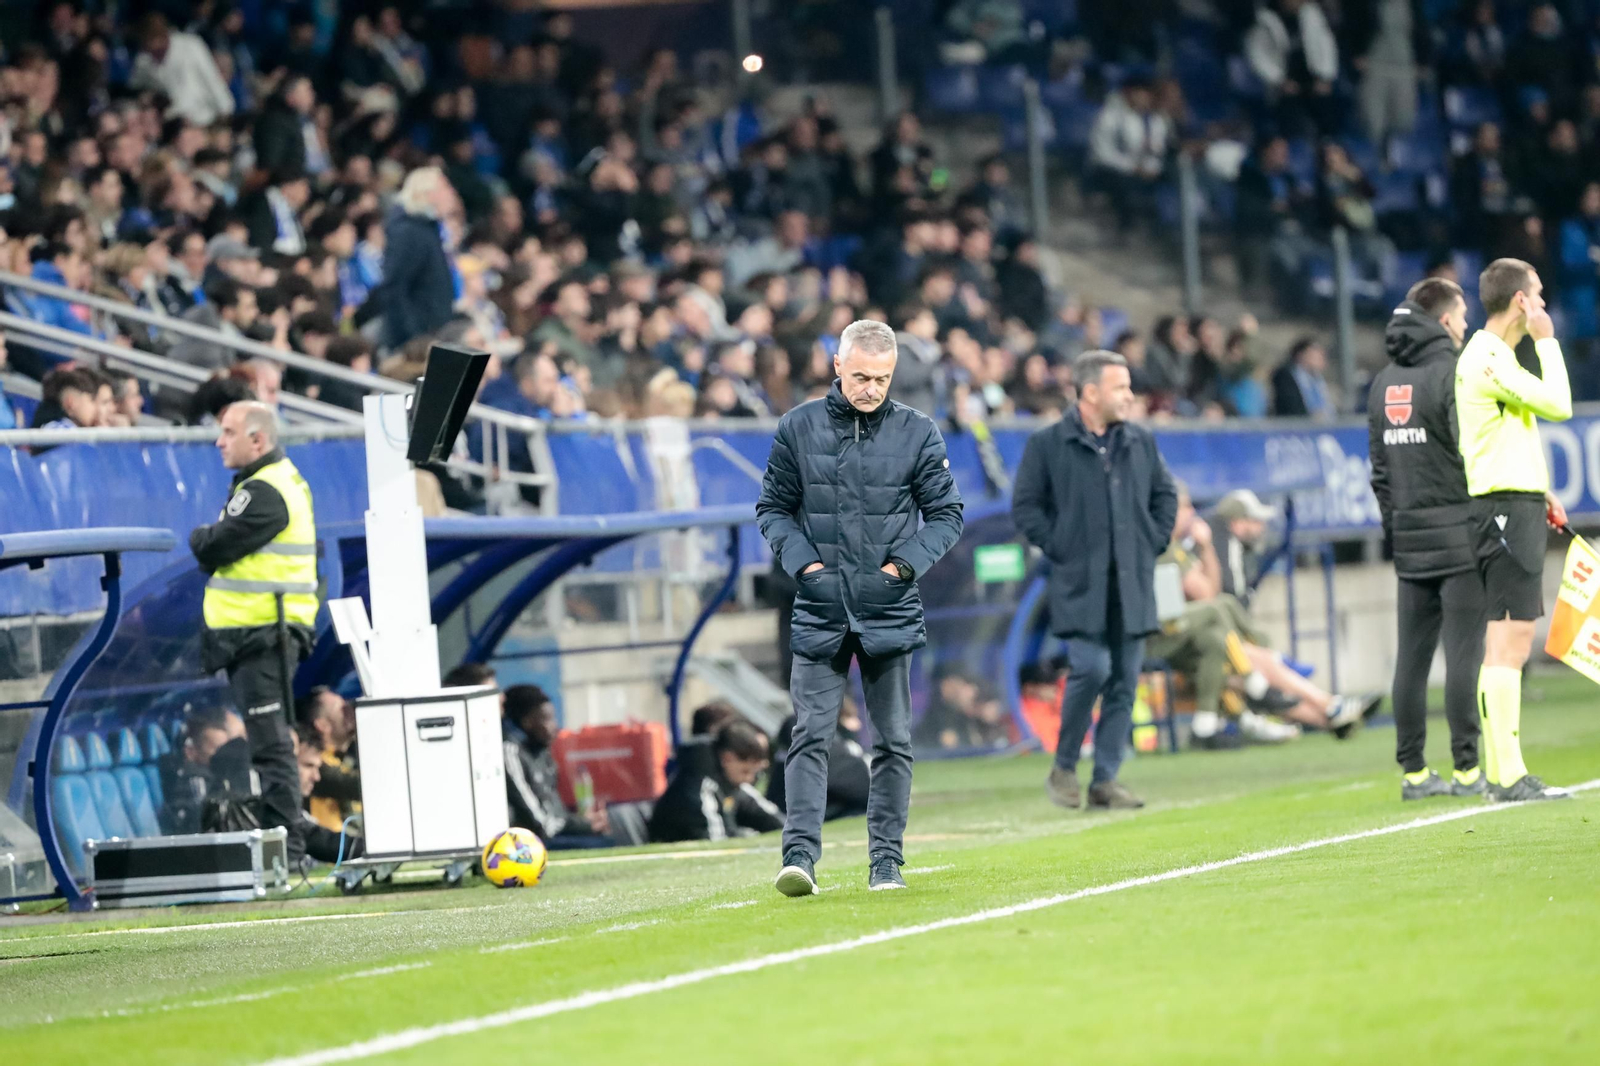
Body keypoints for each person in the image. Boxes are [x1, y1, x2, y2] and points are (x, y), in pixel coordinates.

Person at [756, 318, 964, 895]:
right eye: (862, 376)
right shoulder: (796, 428)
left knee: (893, 741)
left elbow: (947, 514)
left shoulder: (918, 432)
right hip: (820, 607)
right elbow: (772, 509)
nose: (872, 388)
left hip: (888, 607)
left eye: (883, 378)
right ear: (837, 366)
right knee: (810, 735)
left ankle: (886, 864)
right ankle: (798, 859)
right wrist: (808, 569)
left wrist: (902, 568)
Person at [1012, 350, 1178, 810]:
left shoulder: (1140, 441)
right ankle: (1064, 766)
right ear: (1089, 393)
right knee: (1092, 669)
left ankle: (1105, 779)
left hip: (1132, 581)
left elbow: (1165, 496)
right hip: (1079, 584)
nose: (1129, 396)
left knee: (1125, 681)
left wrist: (1153, 541)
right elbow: (1026, 507)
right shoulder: (1047, 444)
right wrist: (1063, 546)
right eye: (1120, 387)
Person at [1455, 258, 1573, 801]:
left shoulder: (1495, 356)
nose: (1544, 307)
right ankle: (1507, 775)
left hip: (1513, 501)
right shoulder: (1486, 358)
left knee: (1509, 638)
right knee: (1509, 640)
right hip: (1502, 509)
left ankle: (1506, 773)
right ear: (1521, 301)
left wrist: (1538, 487)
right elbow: (1558, 404)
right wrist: (1548, 343)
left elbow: (1505, 432)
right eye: (1539, 296)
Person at [1368, 277, 1486, 799]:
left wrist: (1397, 528)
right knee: (1464, 655)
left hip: (1410, 541)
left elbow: (1380, 474)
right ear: (1442, 321)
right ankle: (1466, 771)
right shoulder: (1453, 375)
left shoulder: (1381, 384)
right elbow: (1471, 456)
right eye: (1461, 316)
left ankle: (1414, 773)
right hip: (1460, 536)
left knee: (1411, 660)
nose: (1465, 325)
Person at [188, 401, 319, 862]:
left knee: (271, 745)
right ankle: (292, 844)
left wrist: (203, 536)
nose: (219, 441)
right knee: (271, 742)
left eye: (228, 432)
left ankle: (291, 852)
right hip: (257, 634)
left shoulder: (265, 490)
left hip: (264, 633)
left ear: (257, 440)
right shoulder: (269, 481)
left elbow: (212, 547)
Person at [502, 684, 611, 848]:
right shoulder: (511, 752)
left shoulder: (542, 753)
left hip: (556, 831)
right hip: (532, 842)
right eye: (547, 719)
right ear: (527, 722)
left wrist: (585, 821)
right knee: (602, 843)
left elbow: (556, 811)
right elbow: (539, 823)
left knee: (609, 834)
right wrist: (583, 825)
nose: (555, 726)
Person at [647, 719, 785, 843]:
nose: (749, 779)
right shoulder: (699, 785)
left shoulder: (731, 781)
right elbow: (714, 840)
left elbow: (771, 818)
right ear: (727, 758)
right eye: (745, 771)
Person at [378, 167, 459, 351]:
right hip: (414, 342)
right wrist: (413, 335)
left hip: (431, 335)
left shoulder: (427, 230)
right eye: (445, 187)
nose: (452, 193)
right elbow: (394, 288)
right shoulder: (409, 232)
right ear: (427, 193)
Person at [296, 686, 360, 831]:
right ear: (322, 725)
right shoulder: (311, 761)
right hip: (329, 847)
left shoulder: (345, 758)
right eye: (342, 710)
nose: (351, 714)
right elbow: (351, 784)